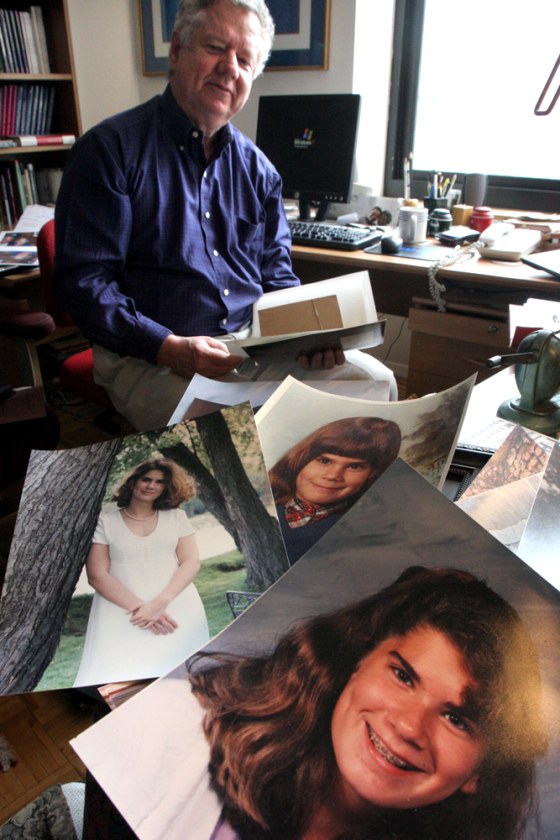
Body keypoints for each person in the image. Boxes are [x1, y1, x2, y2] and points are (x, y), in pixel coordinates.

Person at [52, 0, 396, 433]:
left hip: (247, 349)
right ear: (177, 50)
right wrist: (168, 346)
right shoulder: (110, 152)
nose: (230, 68)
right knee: (241, 437)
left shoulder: (259, 171)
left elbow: (276, 279)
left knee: (374, 386)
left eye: (245, 60)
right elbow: (84, 285)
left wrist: (309, 337)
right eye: (216, 47)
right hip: (147, 356)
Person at [189, 566, 549, 840]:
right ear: (357, 662)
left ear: (479, 771)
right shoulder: (179, 732)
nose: (408, 726)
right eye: (403, 677)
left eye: (457, 719)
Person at [74, 458, 209, 686]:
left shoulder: (176, 517)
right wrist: (141, 609)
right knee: (126, 677)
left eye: (160, 482)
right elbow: (97, 575)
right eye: (146, 479)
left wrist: (158, 605)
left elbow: (191, 562)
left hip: (176, 605)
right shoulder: (105, 519)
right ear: (133, 481)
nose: (151, 486)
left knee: (187, 676)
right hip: (123, 611)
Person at [269, 417, 401, 564]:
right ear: (300, 459)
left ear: (373, 475)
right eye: (324, 461)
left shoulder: (369, 533)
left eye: (355, 467)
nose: (333, 476)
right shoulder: (260, 503)